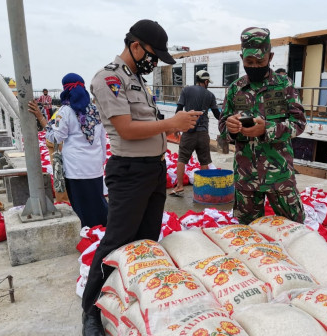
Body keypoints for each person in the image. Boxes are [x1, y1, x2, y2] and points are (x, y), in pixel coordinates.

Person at [81, 19, 202, 335]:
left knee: (147, 239)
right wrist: (171, 123)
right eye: (152, 55)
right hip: (130, 172)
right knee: (116, 241)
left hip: (153, 170)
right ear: (135, 46)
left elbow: (146, 123)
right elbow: (126, 129)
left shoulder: (135, 79)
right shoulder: (110, 78)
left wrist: (174, 124)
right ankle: (91, 310)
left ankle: (132, 299)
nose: (155, 62)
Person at [218, 27, 306, 225]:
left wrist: (266, 129)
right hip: (246, 177)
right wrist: (230, 129)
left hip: (279, 175)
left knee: (294, 229)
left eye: (260, 61)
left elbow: (299, 123)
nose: (255, 66)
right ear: (242, 58)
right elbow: (223, 125)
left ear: (270, 56)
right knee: (246, 235)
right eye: (249, 62)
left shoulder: (284, 85)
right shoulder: (235, 89)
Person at [28, 73, 108, 228]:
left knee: (82, 206)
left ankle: (89, 232)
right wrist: (100, 159)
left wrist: (41, 118)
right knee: (97, 202)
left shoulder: (65, 111)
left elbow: (56, 138)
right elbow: (102, 139)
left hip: (76, 168)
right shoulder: (96, 110)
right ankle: (104, 230)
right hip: (95, 167)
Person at [170, 70, 221, 196]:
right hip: (203, 133)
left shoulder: (186, 90)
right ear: (206, 81)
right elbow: (217, 114)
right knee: (204, 161)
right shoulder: (210, 95)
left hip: (188, 131)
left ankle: (179, 186)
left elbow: (178, 111)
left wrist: (176, 128)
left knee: (182, 158)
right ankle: (203, 188)